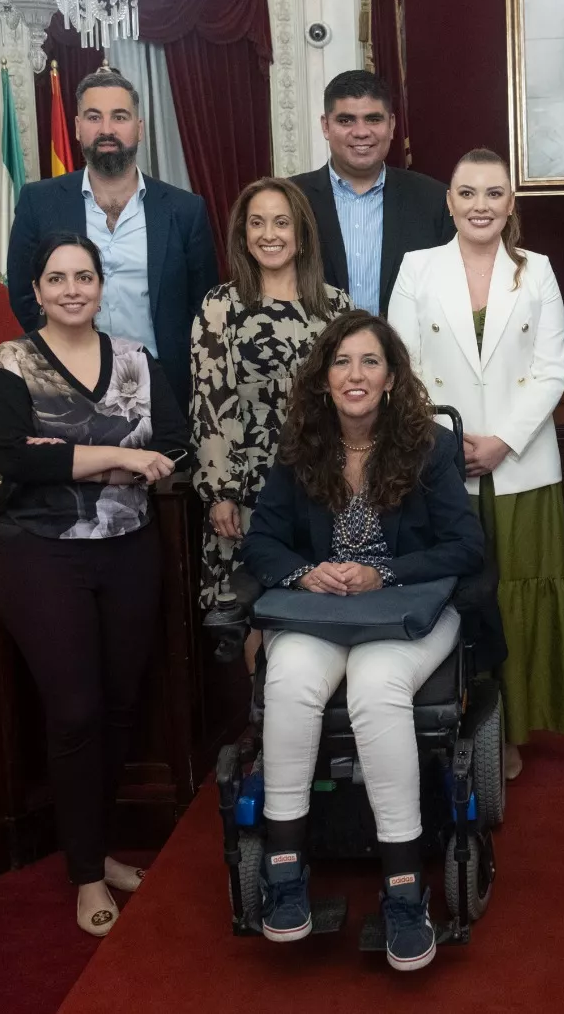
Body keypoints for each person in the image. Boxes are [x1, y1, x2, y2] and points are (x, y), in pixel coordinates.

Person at [239, 311, 484, 972]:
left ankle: (405, 888)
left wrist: (386, 571)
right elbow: (262, 540)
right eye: (342, 361)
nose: (355, 374)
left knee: (377, 688)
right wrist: (303, 572)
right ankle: (285, 872)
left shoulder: (428, 445)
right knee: (287, 676)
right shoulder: (301, 449)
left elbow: (465, 546)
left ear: (392, 376)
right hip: (323, 612)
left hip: (408, 611)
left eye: (369, 361)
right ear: (323, 378)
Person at [0, 231, 191, 937]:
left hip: (128, 550)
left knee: (122, 705)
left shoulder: (135, 358)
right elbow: (16, 458)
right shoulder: (11, 363)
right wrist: (114, 456)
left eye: (84, 277)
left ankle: (98, 846)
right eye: (56, 279)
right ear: (35, 291)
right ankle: (85, 873)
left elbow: (172, 442)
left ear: (101, 287)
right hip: (43, 556)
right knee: (73, 712)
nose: (72, 289)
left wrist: (76, 456)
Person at [389, 149, 564, 777]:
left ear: (511, 204)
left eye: (494, 193)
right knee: (457, 600)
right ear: (448, 201)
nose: (480, 205)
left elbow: (553, 368)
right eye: (467, 192)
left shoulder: (538, 271)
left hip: (523, 464)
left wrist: (502, 439)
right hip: (441, 465)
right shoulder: (417, 268)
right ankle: (453, 722)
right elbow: (402, 366)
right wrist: (449, 444)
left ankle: (513, 730)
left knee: (520, 597)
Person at [191, 177, 350, 669]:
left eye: (281, 222)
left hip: (326, 483)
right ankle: (266, 734)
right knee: (257, 609)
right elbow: (210, 401)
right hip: (248, 487)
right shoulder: (221, 307)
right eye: (256, 223)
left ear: (301, 235)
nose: (269, 234)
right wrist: (222, 492)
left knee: (325, 598)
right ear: (242, 235)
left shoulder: (337, 307)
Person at [6, 66, 218, 406]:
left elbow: (203, 302)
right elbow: (23, 292)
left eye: (119, 117)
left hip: (164, 386)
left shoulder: (184, 209)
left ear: (139, 128)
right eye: (94, 117)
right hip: (69, 384)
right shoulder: (39, 202)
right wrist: (62, 352)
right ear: (77, 128)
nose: (107, 129)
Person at [290, 71, 455, 317]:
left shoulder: (434, 200)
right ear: (326, 126)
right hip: (314, 352)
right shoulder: (290, 199)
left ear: (391, 125)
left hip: (407, 352)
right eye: (346, 120)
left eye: (373, 119)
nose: (361, 132)